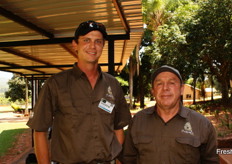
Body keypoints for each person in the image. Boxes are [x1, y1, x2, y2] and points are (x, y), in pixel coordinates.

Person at [27, 20, 131, 164]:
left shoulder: (113, 84)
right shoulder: (56, 84)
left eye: (98, 41)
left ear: (103, 46)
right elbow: (39, 131)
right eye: (86, 40)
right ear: (75, 44)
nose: (92, 46)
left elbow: (118, 128)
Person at [123, 65, 219, 164]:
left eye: (171, 83)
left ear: (181, 89)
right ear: (153, 91)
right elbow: (128, 159)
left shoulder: (202, 124)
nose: (165, 88)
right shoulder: (138, 121)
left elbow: (211, 161)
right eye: (159, 84)